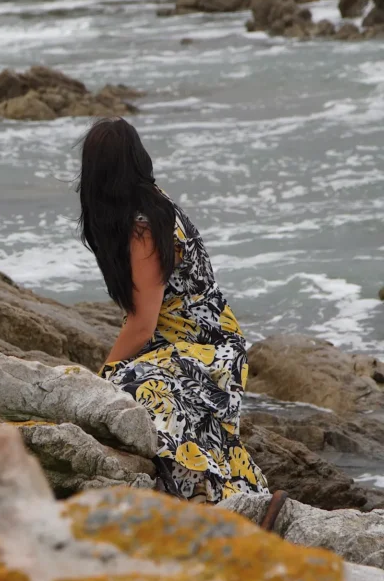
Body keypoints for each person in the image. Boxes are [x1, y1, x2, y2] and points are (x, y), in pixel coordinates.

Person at [77, 117, 269, 504]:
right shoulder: (146, 206)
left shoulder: (145, 226)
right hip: (177, 343)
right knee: (129, 392)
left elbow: (143, 325)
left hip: (209, 348)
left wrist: (99, 377)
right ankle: (207, 491)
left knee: (128, 390)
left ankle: (201, 493)